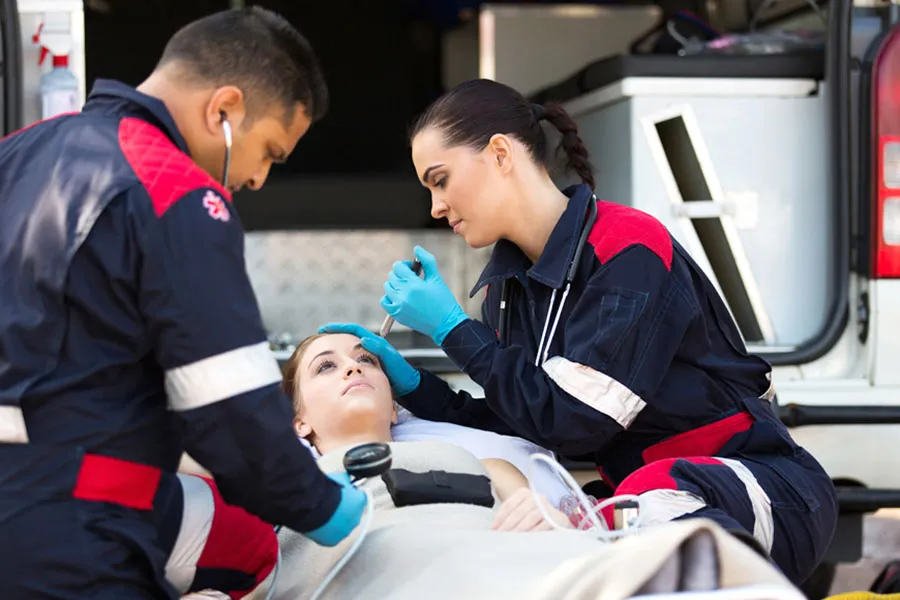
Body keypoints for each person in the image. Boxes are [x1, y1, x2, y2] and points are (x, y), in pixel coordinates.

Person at [321, 78, 838, 585]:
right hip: (646, 498)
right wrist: (415, 387)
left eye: (440, 179)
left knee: (621, 510)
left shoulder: (629, 249)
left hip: (758, 485)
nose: (435, 207)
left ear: (501, 155)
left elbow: (575, 422)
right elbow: (524, 417)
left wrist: (452, 327)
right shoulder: (507, 289)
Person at [0, 7, 366, 599]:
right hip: (72, 529)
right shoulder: (173, 189)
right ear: (223, 110)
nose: (258, 179)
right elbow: (229, 406)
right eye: (270, 151)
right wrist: (326, 508)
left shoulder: (15, 154)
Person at [251, 331, 799, 600]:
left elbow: (556, 519)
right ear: (298, 422)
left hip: (518, 576)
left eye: (365, 360)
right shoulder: (280, 484)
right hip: (398, 583)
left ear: (396, 404)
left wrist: (550, 515)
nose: (352, 368)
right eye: (327, 367)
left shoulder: (480, 461)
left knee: (713, 557)